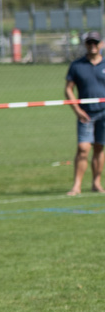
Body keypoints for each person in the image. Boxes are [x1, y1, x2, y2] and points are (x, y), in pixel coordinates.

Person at [64, 30, 105, 197]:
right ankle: (77, 186)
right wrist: (77, 110)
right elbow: (68, 89)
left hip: (104, 113)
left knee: (99, 148)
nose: (92, 46)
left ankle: (96, 183)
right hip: (86, 113)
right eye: (89, 43)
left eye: (95, 42)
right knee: (83, 148)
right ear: (85, 45)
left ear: (100, 44)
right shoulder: (77, 65)